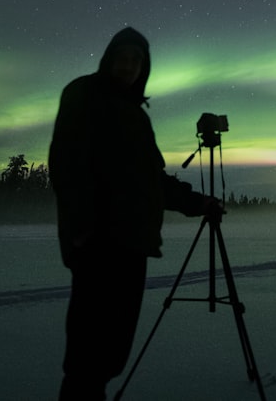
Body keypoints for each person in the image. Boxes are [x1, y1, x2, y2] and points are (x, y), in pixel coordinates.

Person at [49, 26, 212, 400]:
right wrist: (82, 230)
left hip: (131, 245)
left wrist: (197, 203)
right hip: (97, 245)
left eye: (136, 60)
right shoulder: (84, 94)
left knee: (110, 354)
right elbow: (66, 164)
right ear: (109, 59)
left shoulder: (136, 115)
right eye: (122, 58)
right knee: (87, 357)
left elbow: (151, 181)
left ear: (145, 67)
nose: (128, 66)